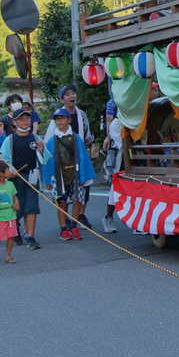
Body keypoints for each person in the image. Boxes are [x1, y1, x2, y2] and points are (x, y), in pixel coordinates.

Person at [40, 108, 98, 241]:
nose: (59, 121)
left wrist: (84, 177)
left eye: (62, 118)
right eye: (57, 119)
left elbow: (83, 157)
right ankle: (63, 229)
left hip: (75, 174)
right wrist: (48, 180)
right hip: (59, 175)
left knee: (77, 200)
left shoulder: (76, 138)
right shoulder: (51, 141)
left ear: (69, 120)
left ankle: (74, 226)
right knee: (61, 202)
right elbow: (47, 161)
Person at [48, 84, 97, 230]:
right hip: (61, 162)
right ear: (62, 99)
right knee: (62, 193)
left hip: (78, 156)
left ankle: (80, 216)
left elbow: (88, 137)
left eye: (73, 93)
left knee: (82, 190)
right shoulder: (56, 118)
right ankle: (65, 221)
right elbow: (49, 142)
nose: (72, 96)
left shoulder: (81, 114)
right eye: (68, 94)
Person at [0, 105, 44, 249]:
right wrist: (9, 170)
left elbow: (44, 158)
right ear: (14, 123)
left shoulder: (35, 137)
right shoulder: (10, 140)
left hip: (32, 176)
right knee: (18, 207)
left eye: (27, 118)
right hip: (15, 178)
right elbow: (3, 159)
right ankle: (15, 229)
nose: (25, 121)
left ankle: (30, 236)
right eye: (21, 119)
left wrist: (41, 151)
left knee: (32, 207)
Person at [0, 160, 21, 264]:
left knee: (11, 236)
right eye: (7, 169)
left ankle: (7, 255)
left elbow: (14, 197)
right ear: (1, 174)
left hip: (11, 215)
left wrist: (16, 203)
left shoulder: (10, 184)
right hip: (0, 217)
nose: (9, 171)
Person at [100, 101, 123, 233]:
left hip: (132, 157)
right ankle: (109, 217)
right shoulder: (116, 123)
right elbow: (123, 147)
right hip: (120, 157)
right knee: (116, 187)